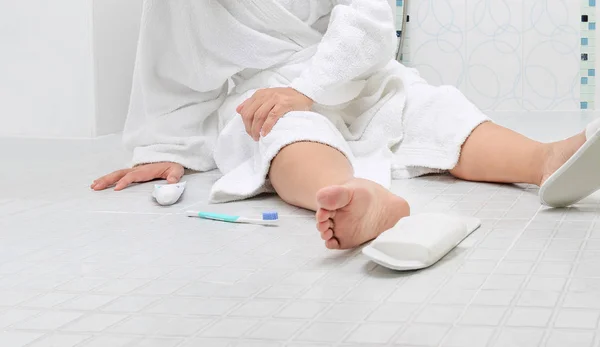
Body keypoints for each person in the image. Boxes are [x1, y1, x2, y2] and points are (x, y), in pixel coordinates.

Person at [91, 0, 590, 250]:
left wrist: (311, 85)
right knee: (285, 137)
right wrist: (165, 143)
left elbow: (369, 22)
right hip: (263, 91)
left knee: (429, 107)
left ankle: (544, 159)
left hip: (349, 73)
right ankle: (351, 195)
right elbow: (171, 59)